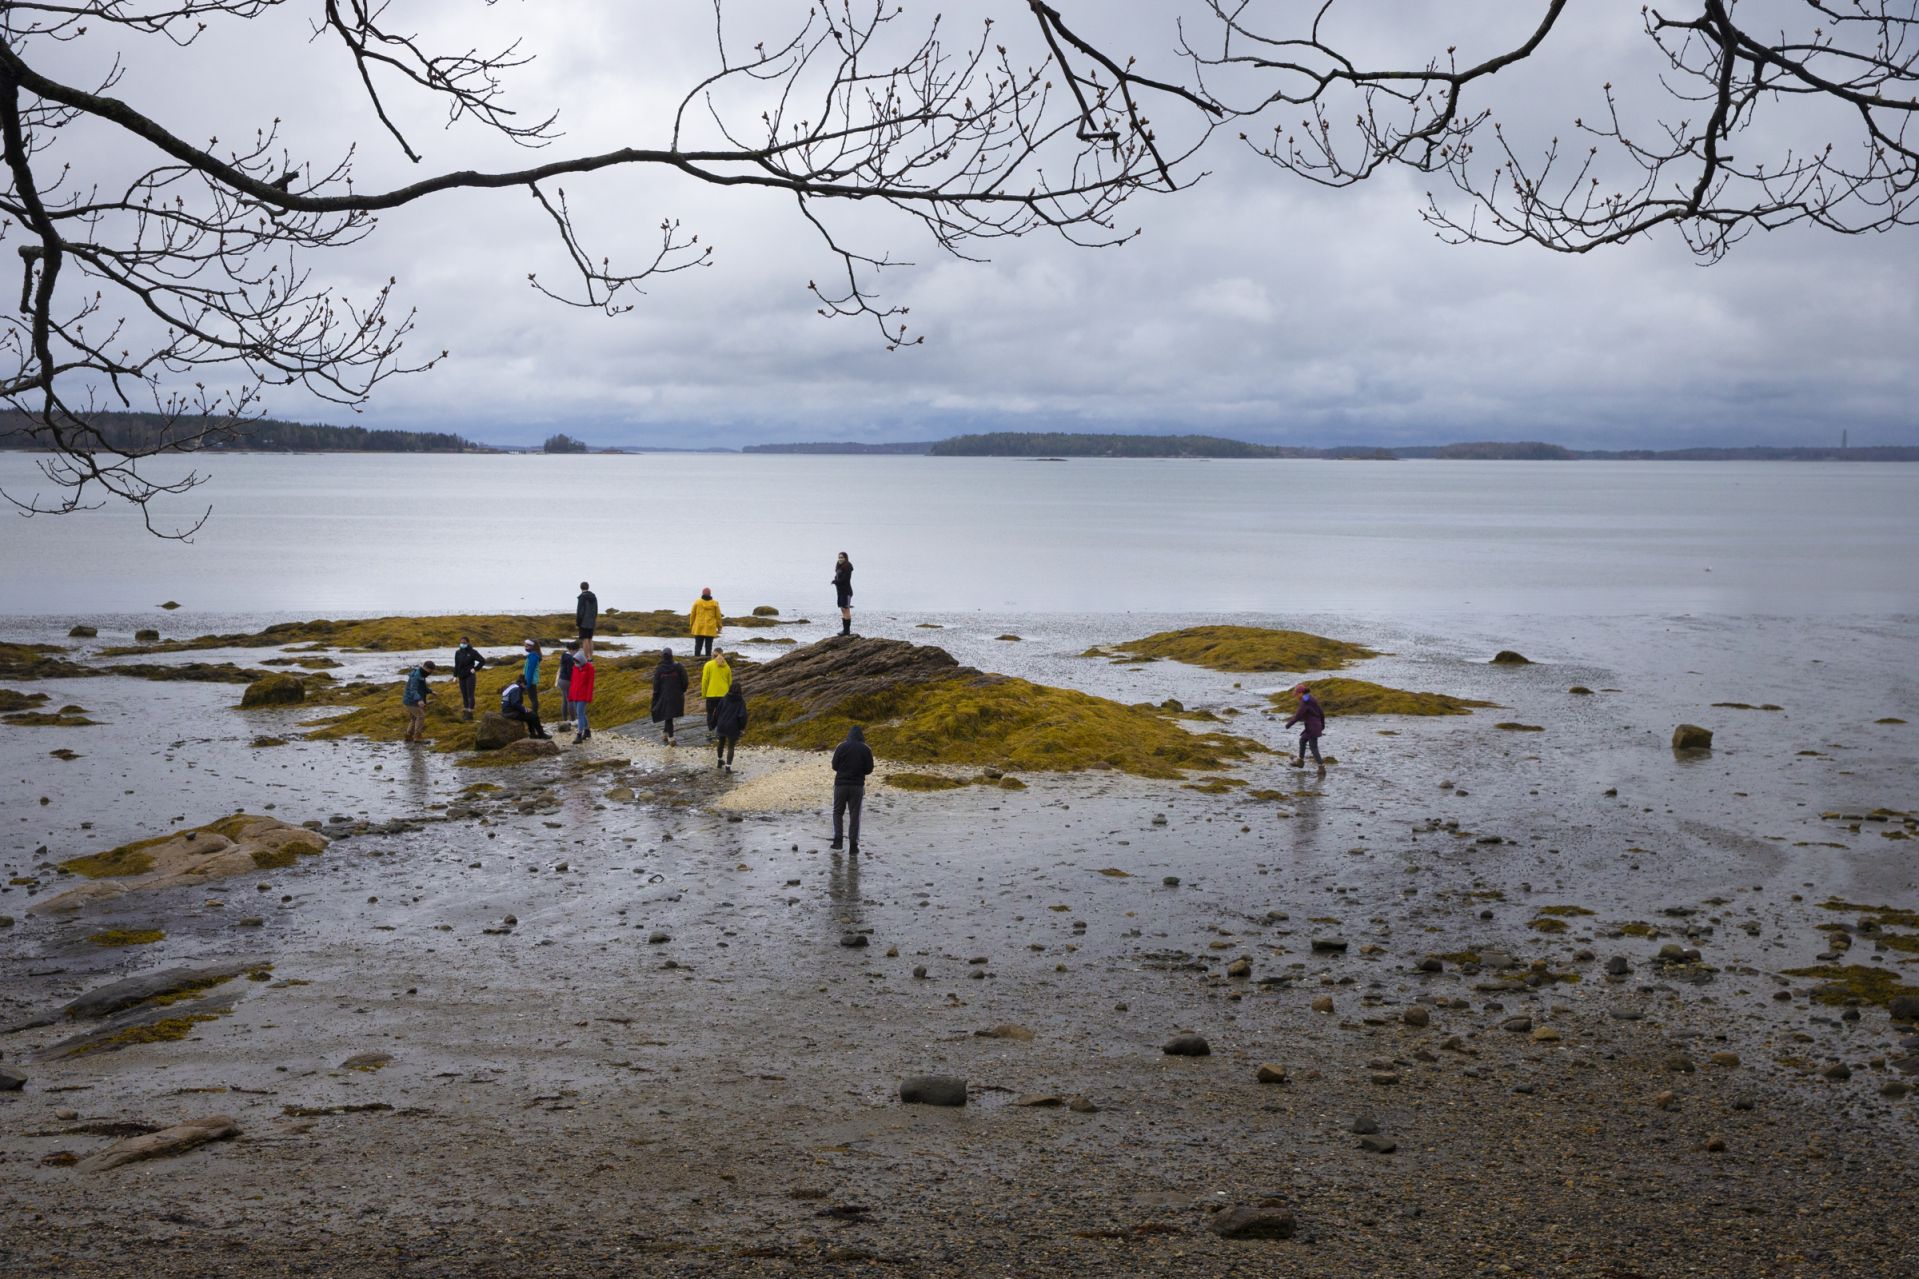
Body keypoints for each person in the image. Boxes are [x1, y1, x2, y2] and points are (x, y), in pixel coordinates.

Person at [829, 723, 874, 853]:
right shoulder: (866, 749)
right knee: (854, 815)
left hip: (840, 786)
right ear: (861, 736)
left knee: (837, 812)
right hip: (857, 786)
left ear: (849, 735)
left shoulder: (841, 747)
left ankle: (838, 841)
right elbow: (869, 769)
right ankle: (853, 846)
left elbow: (834, 766)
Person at [1284, 683, 1326, 773]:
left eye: (1297, 695)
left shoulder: (1305, 702)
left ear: (1301, 693)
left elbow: (1298, 716)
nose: (1296, 697)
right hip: (1313, 727)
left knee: (1313, 747)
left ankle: (1321, 767)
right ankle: (1300, 761)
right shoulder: (1311, 699)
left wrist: (1288, 724)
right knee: (1302, 740)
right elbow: (1321, 713)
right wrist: (1322, 725)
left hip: (1313, 728)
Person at [651, 647, 688, 746]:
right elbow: (685, 681)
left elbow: (656, 684)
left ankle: (671, 738)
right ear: (671, 655)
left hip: (664, 695)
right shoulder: (678, 666)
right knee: (669, 716)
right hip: (677, 695)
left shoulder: (659, 669)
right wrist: (682, 690)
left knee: (668, 715)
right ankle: (666, 734)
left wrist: (656, 694)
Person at [712, 683, 747, 772]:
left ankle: (719, 761)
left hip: (722, 725)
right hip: (733, 727)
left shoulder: (724, 698)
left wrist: (715, 723)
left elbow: (717, 712)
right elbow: (742, 716)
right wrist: (742, 728)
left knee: (721, 743)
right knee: (731, 747)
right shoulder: (741, 701)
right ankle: (728, 767)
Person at [402, 660, 437, 743]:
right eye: (430, 671)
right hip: (411, 701)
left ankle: (408, 736)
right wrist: (419, 700)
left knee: (414, 718)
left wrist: (431, 691)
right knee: (420, 716)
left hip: (412, 700)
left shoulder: (421, 674)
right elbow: (413, 690)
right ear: (425, 667)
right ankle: (417, 737)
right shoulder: (417, 676)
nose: (430, 673)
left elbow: (423, 687)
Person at [520, 640, 549, 738]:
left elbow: (530, 671)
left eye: (528, 645)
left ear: (533, 646)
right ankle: (533, 728)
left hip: (530, 683)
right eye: (525, 645)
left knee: (534, 704)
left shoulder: (533, 656)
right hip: (530, 682)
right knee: (534, 704)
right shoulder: (534, 655)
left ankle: (533, 726)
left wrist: (526, 684)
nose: (525, 646)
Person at [451, 637, 485, 721]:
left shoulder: (473, 652)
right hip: (461, 676)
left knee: (470, 694)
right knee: (464, 695)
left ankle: (470, 713)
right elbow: (456, 665)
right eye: (461, 642)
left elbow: (482, 661)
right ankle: (466, 712)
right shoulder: (458, 653)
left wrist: (475, 669)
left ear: (468, 643)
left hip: (470, 675)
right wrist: (455, 676)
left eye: (464, 642)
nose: (462, 644)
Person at [701, 646, 732, 731]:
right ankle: (721, 731)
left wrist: (704, 694)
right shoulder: (727, 667)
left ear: (713, 655)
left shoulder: (708, 665)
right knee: (722, 714)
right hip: (724, 695)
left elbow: (704, 681)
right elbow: (730, 683)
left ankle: (711, 730)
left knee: (710, 714)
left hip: (711, 694)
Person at [568, 650, 596, 742]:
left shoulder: (590, 669)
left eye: (577, 662)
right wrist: (571, 694)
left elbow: (590, 684)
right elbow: (573, 682)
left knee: (579, 714)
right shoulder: (575, 668)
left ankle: (579, 734)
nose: (575, 663)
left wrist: (588, 697)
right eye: (574, 662)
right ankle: (587, 730)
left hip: (583, 696)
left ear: (581, 661)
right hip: (576, 694)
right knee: (581, 713)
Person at [689, 587, 722, 658]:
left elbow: (692, 615)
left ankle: (696, 659)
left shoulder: (697, 602)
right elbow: (718, 616)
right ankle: (708, 660)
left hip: (699, 628)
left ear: (702, 593)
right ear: (710, 594)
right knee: (708, 646)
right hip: (710, 628)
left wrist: (691, 625)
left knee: (698, 646)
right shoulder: (715, 603)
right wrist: (719, 627)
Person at [556, 640, 579, 724]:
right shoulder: (570, 658)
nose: (577, 653)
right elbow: (570, 672)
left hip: (561, 680)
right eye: (576, 651)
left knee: (564, 700)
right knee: (570, 700)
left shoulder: (564, 654)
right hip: (567, 681)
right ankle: (573, 720)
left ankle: (564, 719)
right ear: (573, 649)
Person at [832, 552, 854, 636]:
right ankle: (844, 630)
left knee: (846, 609)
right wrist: (835, 580)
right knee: (842, 609)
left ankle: (846, 631)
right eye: (839, 557)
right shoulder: (839, 565)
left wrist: (836, 582)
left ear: (845, 558)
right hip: (840, 591)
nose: (840, 559)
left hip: (846, 591)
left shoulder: (848, 567)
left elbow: (845, 579)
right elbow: (837, 576)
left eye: (842, 557)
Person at [576, 581, 599, 659]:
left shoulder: (582, 597)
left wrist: (578, 622)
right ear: (588, 587)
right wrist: (594, 618)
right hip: (592, 621)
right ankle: (590, 657)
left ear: (581, 588)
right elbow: (596, 609)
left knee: (585, 639)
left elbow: (580, 611)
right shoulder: (593, 596)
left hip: (584, 622)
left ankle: (586, 658)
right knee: (590, 639)